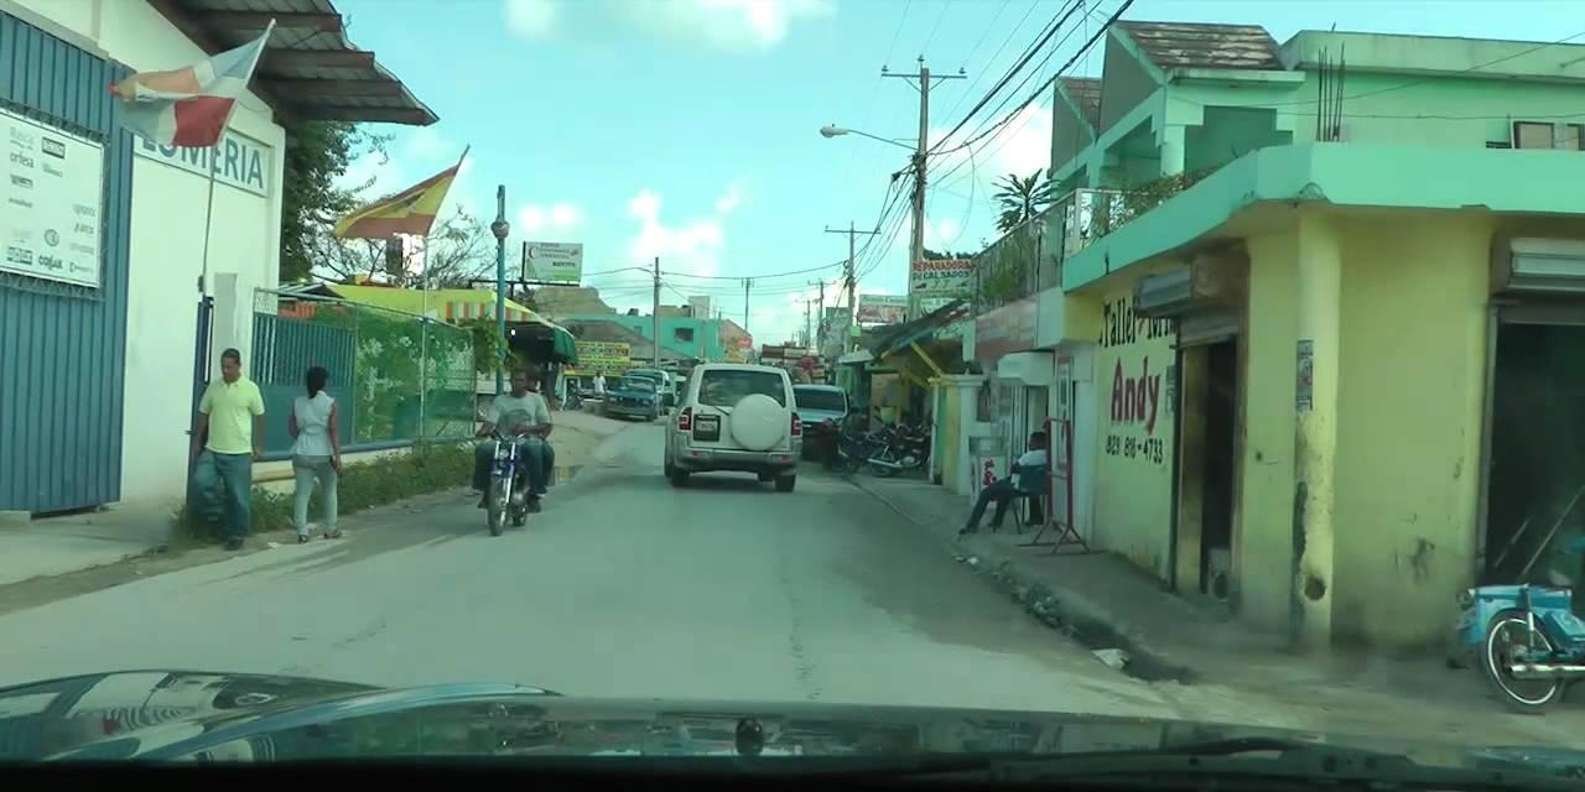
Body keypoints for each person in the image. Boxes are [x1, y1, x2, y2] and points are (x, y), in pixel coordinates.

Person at [191, 348, 265, 551]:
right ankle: (218, 518)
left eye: (229, 367)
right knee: (200, 482)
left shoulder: (250, 388)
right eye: (222, 367)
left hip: (239, 453)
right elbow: (203, 413)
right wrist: (197, 442)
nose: (225, 371)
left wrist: (257, 445)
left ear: (239, 366)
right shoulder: (214, 388)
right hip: (213, 449)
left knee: (239, 497)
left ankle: (237, 533)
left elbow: (260, 417)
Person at [473, 367, 553, 512]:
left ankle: (534, 494)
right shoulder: (500, 400)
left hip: (527, 440)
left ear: (527, 382)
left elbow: (546, 424)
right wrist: (483, 431)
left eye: (521, 380)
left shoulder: (536, 400)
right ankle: (485, 491)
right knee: (483, 450)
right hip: (504, 441)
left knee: (536, 450)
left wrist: (527, 429)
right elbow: (491, 422)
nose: (517, 383)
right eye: (514, 380)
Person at [287, 366, 342, 543]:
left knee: (302, 493)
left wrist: (304, 437)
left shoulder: (298, 402)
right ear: (324, 382)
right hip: (323, 453)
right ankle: (331, 528)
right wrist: (338, 457)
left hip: (301, 452)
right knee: (329, 491)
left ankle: (302, 531)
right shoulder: (330, 403)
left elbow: (292, 429)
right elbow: (333, 431)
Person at [960, 431, 1049, 535]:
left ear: (1039, 443)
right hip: (1036, 488)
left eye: (1031, 441)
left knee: (986, 493)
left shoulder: (1030, 455)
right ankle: (1032, 517)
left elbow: (1014, 468)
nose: (1029, 444)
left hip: (1018, 486)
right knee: (1005, 490)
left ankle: (972, 525)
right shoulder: (1048, 455)